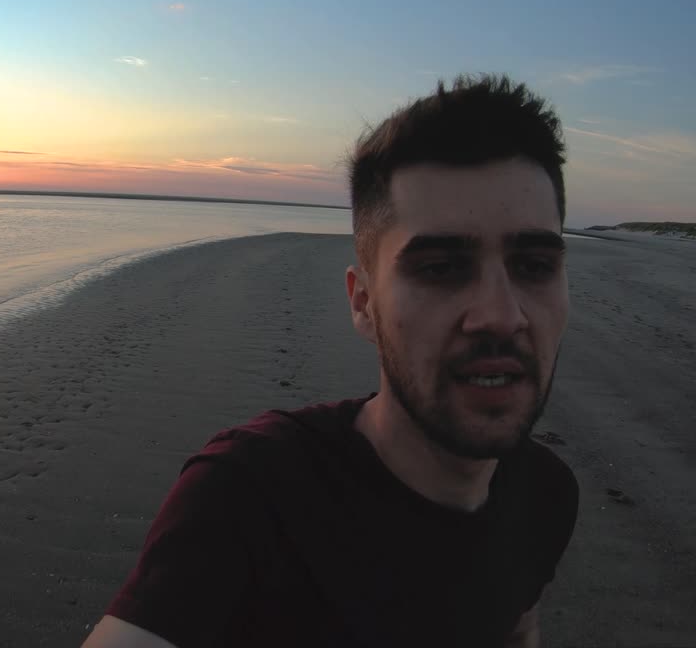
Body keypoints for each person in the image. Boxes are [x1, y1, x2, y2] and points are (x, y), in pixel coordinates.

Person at [82, 74, 580, 648]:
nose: (500, 315)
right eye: (441, 268)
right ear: (364, 304)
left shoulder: (547, 494)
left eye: (535, 265)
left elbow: (517, 624)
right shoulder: (249, 497)